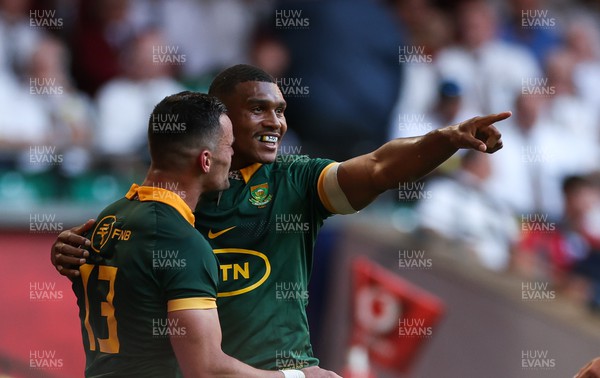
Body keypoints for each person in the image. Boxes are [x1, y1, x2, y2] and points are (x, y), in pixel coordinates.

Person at [52, 64, 509, 370]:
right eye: (258, 109)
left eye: (281, 110)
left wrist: (444, 140)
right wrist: (68, 251)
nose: (276, 122)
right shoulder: (168, 203)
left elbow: (378, 167)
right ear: (220, 121)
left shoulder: (295, 182)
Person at [69, 91, 337, 377]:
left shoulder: (109, 218)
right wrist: (297, 376)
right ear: (206, 160)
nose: (233, 155)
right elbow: (207, 370)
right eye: (229, 146)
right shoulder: (181, 242)